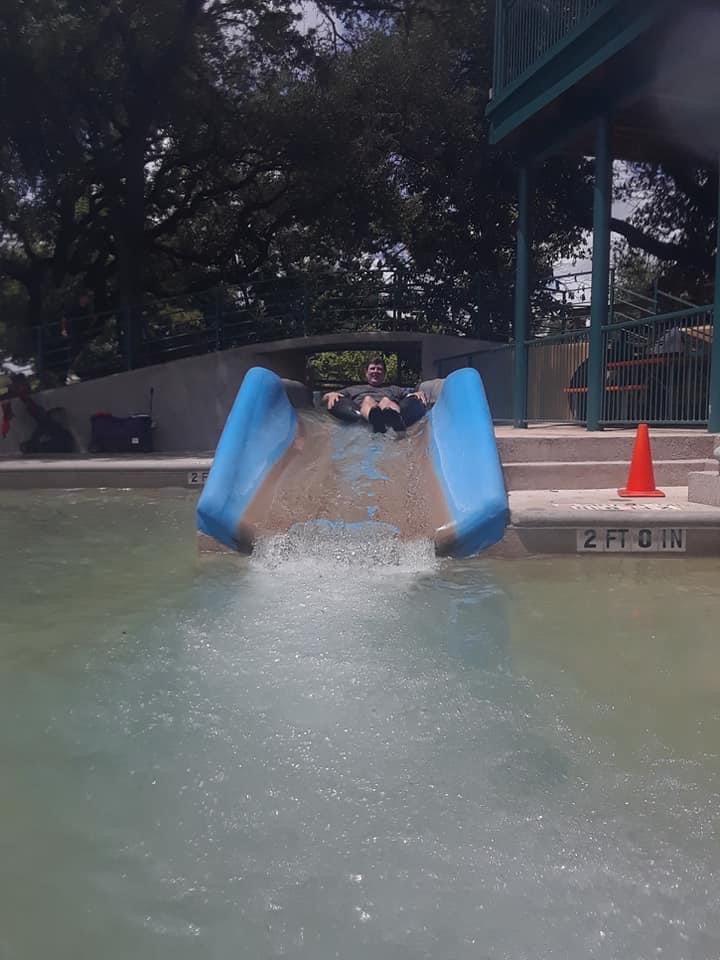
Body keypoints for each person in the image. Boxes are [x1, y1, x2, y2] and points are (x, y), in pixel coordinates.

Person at [322, 356, 428, 434]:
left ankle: (396, 421)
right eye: (372, 368)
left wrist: (418, 393)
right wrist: (330, 395)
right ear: (366, 372)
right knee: (368, 399)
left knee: (386, 401)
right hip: (366, 411)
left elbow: (410, 396)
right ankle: (376, 421)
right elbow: (326, 398)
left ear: (384, 373)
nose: (375, 371)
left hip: (388, 409)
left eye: (379, 369)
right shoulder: (354, 389)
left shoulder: (393, 389)